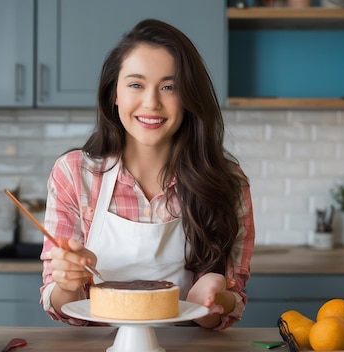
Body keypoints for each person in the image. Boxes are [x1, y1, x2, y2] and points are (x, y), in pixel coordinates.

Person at [39, 18, 255, 330]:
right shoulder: (74, 174)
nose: (151, 103)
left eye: (169, 87)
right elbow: (60, 306)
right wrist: (68, 284)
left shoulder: (227, 182)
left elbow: (228, 306)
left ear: (189, 97)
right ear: (115, 94)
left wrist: (212, 298)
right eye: (136, 85)